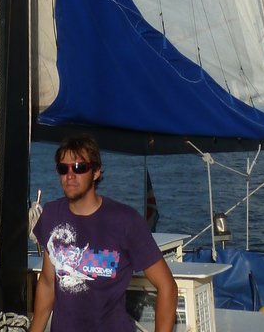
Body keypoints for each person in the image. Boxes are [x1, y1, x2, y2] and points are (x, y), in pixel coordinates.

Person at [30, 134, 178, 332]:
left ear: (96, 172)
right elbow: (48, 285)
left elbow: (167, 286)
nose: (70, 175)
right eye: (63, 168)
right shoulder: (51, 214)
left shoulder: (125, 221)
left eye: (79, 167)